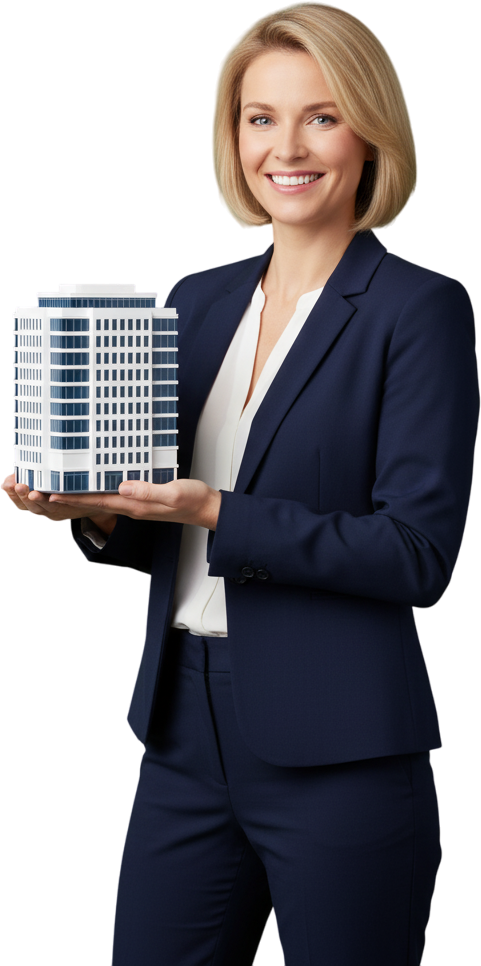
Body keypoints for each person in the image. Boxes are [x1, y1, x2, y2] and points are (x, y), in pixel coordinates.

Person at [2, 3, 478, 964]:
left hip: (341, 746)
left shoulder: (417, 309)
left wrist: (216, 508)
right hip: (180, 729)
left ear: (370, 132)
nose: (286, 147)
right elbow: (165, 527)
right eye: (260, 117)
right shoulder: (196, 299)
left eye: (321, 115)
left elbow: (416, 553)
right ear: (232, 137)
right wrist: (94, 514)